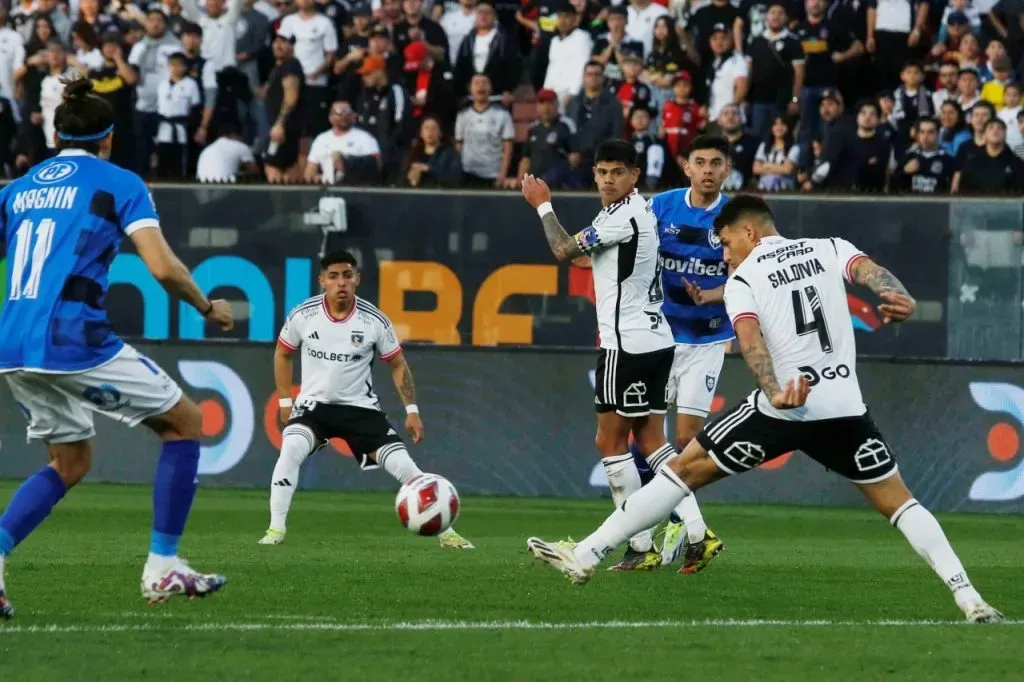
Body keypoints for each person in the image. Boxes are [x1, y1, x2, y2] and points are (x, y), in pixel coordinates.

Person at [526, 194, 1005, 626]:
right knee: (900, 502)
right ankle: (969, 598)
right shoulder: (830, 247)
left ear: (749, 232)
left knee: (681, 469)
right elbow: (874, 276)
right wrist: (897, 295)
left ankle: (586, 554)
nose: (724, 253)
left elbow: (751, 345)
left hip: (783, 408)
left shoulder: (744, 279)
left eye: (726, 241)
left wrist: (775, 390)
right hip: (843, 408)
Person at [0, 76, 235, 619]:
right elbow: (161, 267)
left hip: (13, 343)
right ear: (108, 139)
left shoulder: (18, 187)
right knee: (185, 422)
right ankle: (163, 567)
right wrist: (207, 307)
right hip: (72, 339)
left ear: (55, 134)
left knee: (70, 460)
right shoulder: (118, 182)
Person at [520, 139, 680, 572]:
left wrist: (542, 207)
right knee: (651, 440)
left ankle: (639, 541)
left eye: (617, 172)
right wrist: (576, 248)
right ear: (593, 173)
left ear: (633, 176)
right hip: (654, 339)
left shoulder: (622, 214)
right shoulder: (632, 212)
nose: (608, 179)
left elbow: (562, 251)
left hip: (624, 344)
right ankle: (695, 531)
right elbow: (589, 259)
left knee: (609, 440)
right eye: (602, 171)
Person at [258, 251, 474, 550]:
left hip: (360, 409)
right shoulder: (303, 315)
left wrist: (412, 410)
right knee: (291, 448)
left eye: (347, 275)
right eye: (333, 276)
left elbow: (397, 364)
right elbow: (283, 354)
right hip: (313, 408)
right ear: (322, 281)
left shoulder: (374, 321)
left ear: (357, 279)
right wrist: (284, 401)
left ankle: (446, 533)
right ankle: (275, 530)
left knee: (405, 467)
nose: (341, 282)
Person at [623, 134, 731, 571]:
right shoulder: (660, 207)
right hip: (661, 337)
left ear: (726, 170)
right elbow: (634, 253)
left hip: (707, 339)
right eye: (699, 162)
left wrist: (711, 296)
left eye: (715, 163)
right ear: (686, 167)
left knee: (684, 440)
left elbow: (749, 275)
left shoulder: (737, 217)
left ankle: (668, 530)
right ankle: (664, 530)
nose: (707, 169)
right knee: (644, 437)